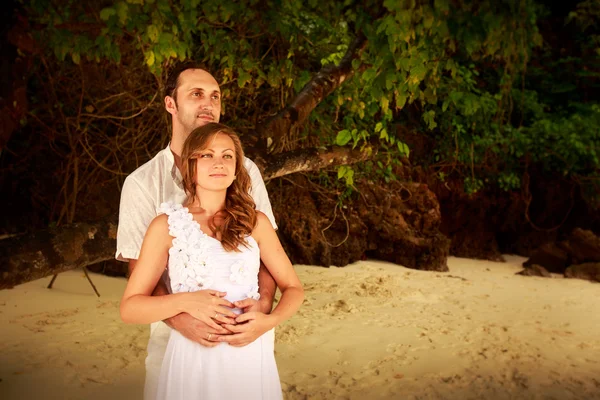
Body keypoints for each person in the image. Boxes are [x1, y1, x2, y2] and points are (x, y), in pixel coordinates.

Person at [115, 62, 279, 398]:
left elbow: (267, 259)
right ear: (170, 104)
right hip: (176, 342)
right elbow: (139, 275)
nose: (209, 103)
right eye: (196, 94)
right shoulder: (142, 183)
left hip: (245, 341)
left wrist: (262, 307)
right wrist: (182, 321)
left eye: (215, 96)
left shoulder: (244, 170)